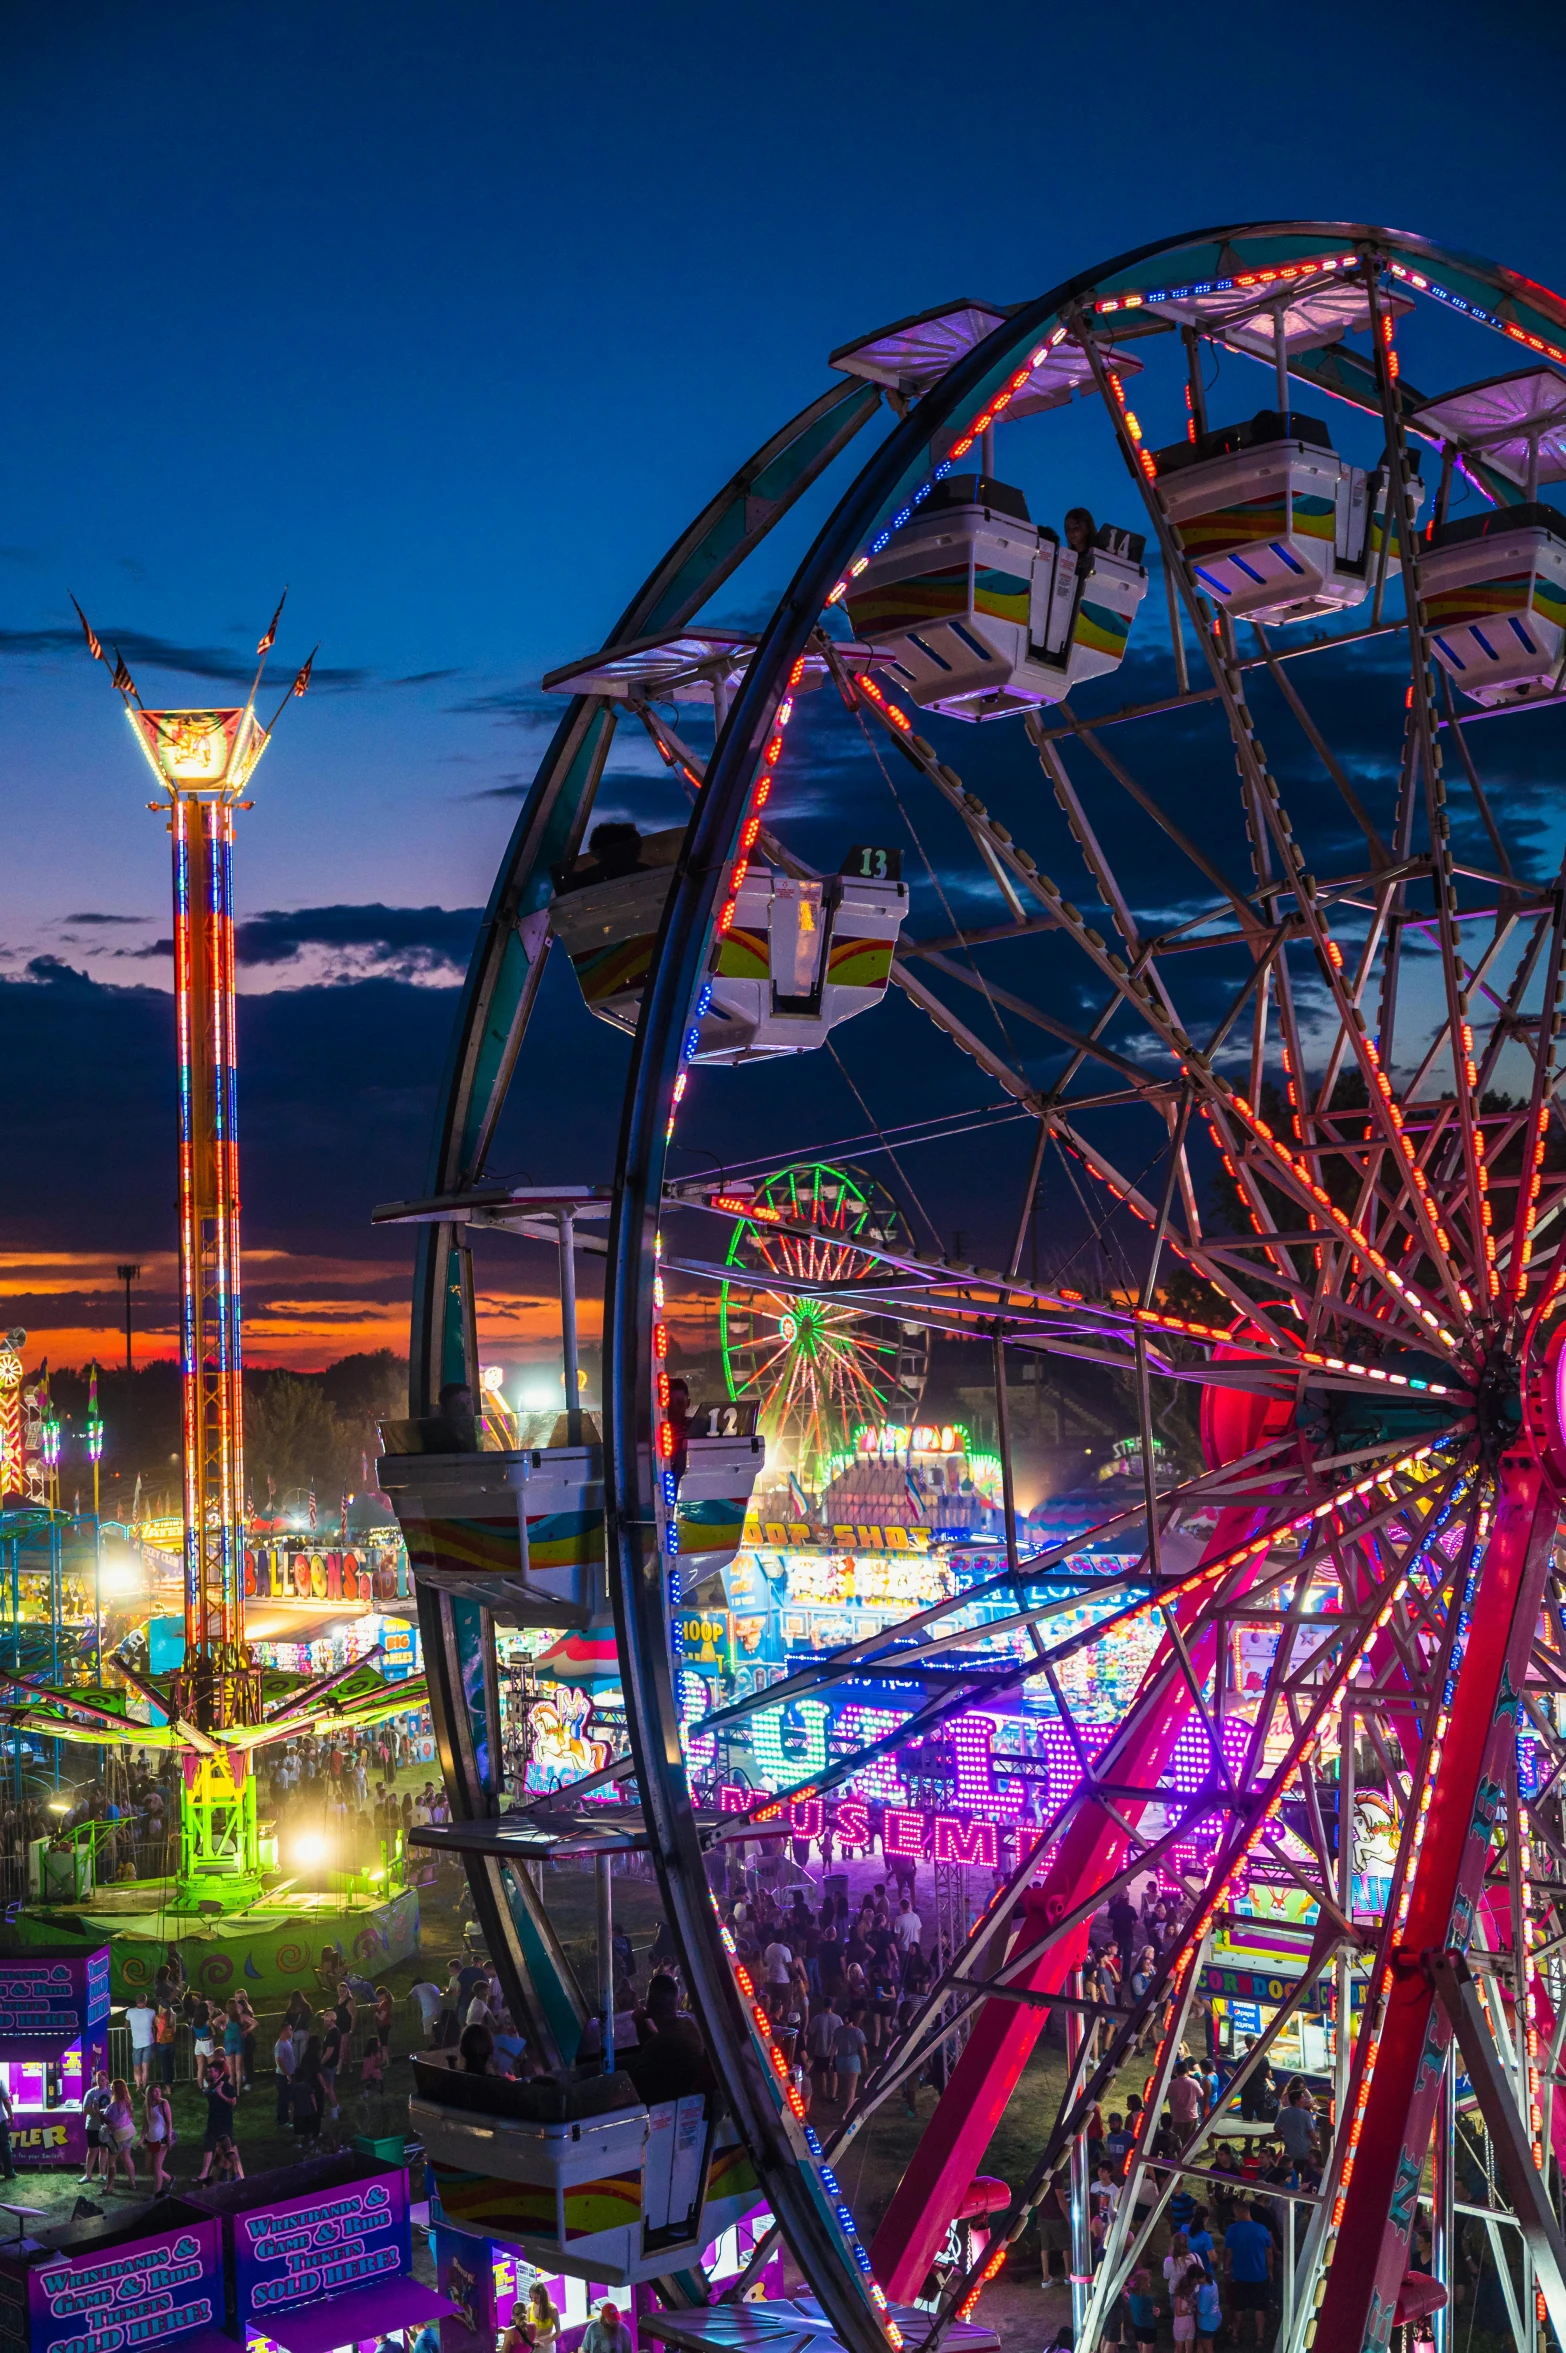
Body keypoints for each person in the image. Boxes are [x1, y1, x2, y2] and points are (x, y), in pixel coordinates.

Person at [1223, 2201, 1273, 2345]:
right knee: (1260, 2307)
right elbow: (1268, 2252)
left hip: (1240, 2275)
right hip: (1259, 2274)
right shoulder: (1262, 2229)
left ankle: (1235, 2334)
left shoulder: (1232, 2229)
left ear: (1238, 2212)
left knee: (1238, 2307)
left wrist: (1226, 2269)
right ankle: (1260, 2337)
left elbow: (1229, 2253)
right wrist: (1270, 2270)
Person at [196, 2056, 238, 2183]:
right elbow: (206, 2093)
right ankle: (204, 2174)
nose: (209, 2073)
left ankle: (234, 2173)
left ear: (218, 2072)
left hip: (224, 2122)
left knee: (227, 2150)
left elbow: (233, 2101)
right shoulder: (212, 2084)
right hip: (213, 2120)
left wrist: (220, 2094)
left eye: (211, 2071)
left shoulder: (226, 2086)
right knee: (210, 2146)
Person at [78, 2069, 111, 2186]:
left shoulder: (111, 2092)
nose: (100, 2083)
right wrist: (97, 2112)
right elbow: (85, 2110)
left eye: (102, 2080)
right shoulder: (91, 2093)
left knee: (104, 2150)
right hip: (93, 2126)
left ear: (107, 2080)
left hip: (105, 2126)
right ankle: (88, 2175)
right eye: (98, 2080)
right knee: (92, 2150)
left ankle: (103, 2174)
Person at [832, 2007, 867, 2111]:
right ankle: (848, 2109)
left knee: (844, 2085)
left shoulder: (838, 2031)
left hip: (840, 2060)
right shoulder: (857, 2032)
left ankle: (841, 2103)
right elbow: (862, 2048)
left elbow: (834, 2047)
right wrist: (865, 2061)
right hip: (853, 2061)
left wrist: (831, 2062)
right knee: (852, 2088)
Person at [1275, 2083, 1316, 2168]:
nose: (1305, 2099)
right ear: (1297, 2101)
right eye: (1302, 2097)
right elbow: (1311, 2133)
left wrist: (1286, 2132)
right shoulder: (1306, 2114)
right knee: (1305, 2177)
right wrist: (1316, 2146)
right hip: (1304, 2153)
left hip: (1289, 2152)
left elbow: (1276, 2128)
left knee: (1290, 2176)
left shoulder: (1284, 2112)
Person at [141, 2083, 172, 2194]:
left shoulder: (164, 2104)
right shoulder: (146, 2105)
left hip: (162, 2139)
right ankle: (169, 2179)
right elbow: (145, 2124)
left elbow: (169, 2122)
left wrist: (169, 2137)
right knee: (149, 2167)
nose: (158, 2093)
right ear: (149, 2093)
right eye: (155, 2091)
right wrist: (141, 2139)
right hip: (151, 2139)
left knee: (157, 2167)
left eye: (159, 2091)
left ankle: (156, 2193)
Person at [292, 2038, 323, 2145]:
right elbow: (318, 2073)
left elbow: (291, 2100)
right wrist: (324, 2087)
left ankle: (300, 2141)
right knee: (313, 2117)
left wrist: (291, 2110)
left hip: (298, 2112)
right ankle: (313, 2135)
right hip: (314, 2088)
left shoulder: (305, 2056)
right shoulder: (315, 2057)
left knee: (300, 2125)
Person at [124, 1995, 156, 2091]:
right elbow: (154, 2024)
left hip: (136, 2043)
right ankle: (144, 2087)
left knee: (136, 2066)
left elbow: (126, 2025)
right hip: (148, 2041)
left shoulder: (130, 2012)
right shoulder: (151, 2012)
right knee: (145, 2066)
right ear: (145, 2001)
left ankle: (138, 2087)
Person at [1125, 2268, 1158, 2353]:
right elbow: (1155, 2312)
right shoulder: (1147, 2298)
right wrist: (1157, 2311)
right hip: (1148, 2327)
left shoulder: (1132, 2296)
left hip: (1137, 2326)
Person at [273, 2018, 298, 2124]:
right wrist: (287, 2074)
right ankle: (283, 2120)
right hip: (283, 2075)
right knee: (283, 2098)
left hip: (289, 2073)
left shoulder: (287, 2041)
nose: (291, 2032)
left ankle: (288, 2117)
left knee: (289, 2097)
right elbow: (279, 2060)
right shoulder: (280, 2045)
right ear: (283, 2031)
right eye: (289, 2030)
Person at [523, 2284, 560, 2353]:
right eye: (531, 2297)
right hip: (533, 2344)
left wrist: (544, 2343)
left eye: (536, 2298)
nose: (533, 2300)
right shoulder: (529, 2307)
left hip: (547, 2345)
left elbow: (558, 2332)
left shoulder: (552, 2309)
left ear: (543, 2296)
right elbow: (527, 2329)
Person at [154, 2003, 178, 2088]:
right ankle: (170, 2083)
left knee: (165, 2066)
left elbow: (155, 2026)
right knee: (170, 2065)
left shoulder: (158, 2018)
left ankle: (167, 2087)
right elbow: (174, 2030)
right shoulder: (174, 2016)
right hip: (171, 2042)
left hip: (162, 2042)